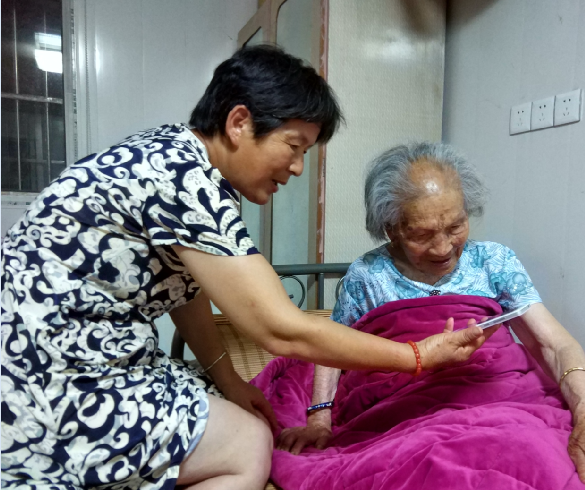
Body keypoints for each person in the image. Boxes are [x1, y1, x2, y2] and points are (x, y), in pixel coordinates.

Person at [1, 46, 495, 490]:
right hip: (43, 374)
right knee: (250, 446)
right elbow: (281, 328)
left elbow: (187, 292)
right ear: (239, 122)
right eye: (294, 147)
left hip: (51, 350)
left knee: (238, 407)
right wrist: (417, 356)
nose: (297, 168)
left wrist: (229, 380)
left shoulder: (169, 154)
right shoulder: (185, 179)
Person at [277, 142, 585, 490]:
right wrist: (319, 418)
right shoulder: (368, 275)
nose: (443, 248)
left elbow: (554, 344)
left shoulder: (493, 261)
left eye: (455, 226)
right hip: (406, 412)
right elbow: (332, 348)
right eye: (422, 235)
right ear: (391, 228)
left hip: (500, 396)